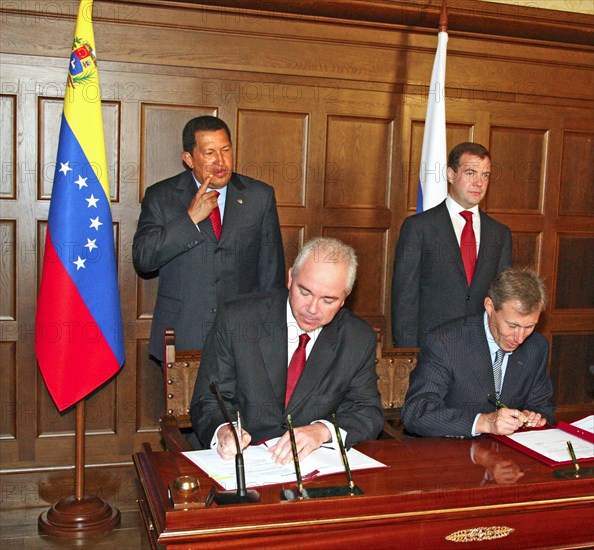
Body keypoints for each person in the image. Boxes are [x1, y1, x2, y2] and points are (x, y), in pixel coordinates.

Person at [190, 237, 384, 463]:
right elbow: (208, 400)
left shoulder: (358, 338)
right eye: (305, 292)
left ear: (344, 298)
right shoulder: (237, 321)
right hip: (242, 462)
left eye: (328, 300)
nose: (312, 309)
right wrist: (224, 431)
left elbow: (367, 411)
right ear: (290, 278)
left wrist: (322, 431)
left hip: (313, 466)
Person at [133, 116, 285, 363]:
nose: (221, 161)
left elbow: (271, 273)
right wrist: (190, 219)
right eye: (210, 153)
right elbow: (144, 259)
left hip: (243, 338)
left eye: (226, 150)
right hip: (182, 334)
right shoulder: (161, 196)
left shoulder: (259, 196)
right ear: (189, 159)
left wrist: (271, 333)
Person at [401, 267, 555, 438]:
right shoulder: (445, 342)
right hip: (451, 452)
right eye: (512, 326)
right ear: (490, 306)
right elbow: (416, 413)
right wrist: (483, 422)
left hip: (507, 454)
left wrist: (532, 417)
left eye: (529, 326)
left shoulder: (536, 346)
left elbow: (543, 407)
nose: (519, 338)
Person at [391, 142, 512, 347]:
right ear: (450, 174)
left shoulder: (499, 233)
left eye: (485, 175)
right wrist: (407, 352)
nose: (479, 183)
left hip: (480, 349)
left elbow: (503, 299)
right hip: (431, 349)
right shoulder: (419, 227)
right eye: (471, 173)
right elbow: (405, 298)